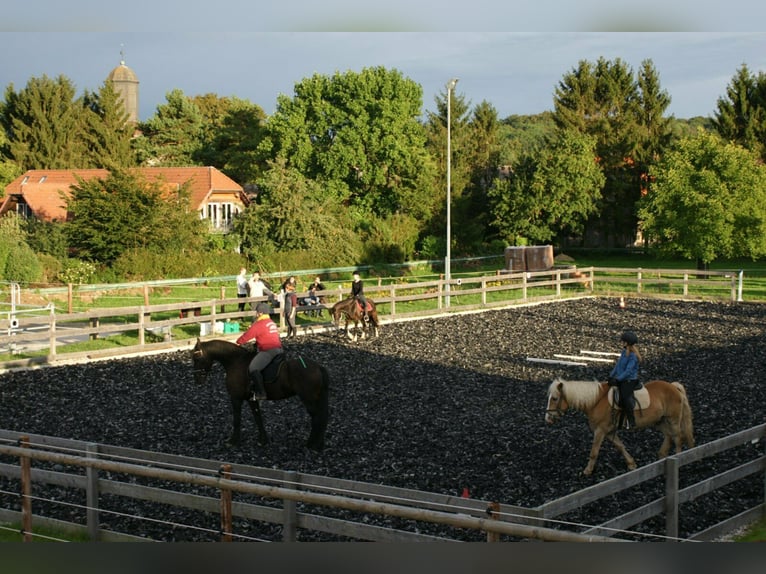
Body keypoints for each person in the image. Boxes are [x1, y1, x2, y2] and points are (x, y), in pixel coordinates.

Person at [235, 302, 284, 401]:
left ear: (260, 313)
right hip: (279, 349)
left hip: (268, 350)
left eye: (257, 312)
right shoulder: (271, 322)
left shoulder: (259, 324)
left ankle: (261, 393)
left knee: (253, 368)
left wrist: (238, 343)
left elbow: (247, 336)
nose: (256, 314)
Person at [608, 330, 642, 430]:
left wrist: (618, 379)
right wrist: (611, 376)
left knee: (625, 397)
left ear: (627, 343)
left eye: (623, 341)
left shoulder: (633, 356)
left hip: (629, 380)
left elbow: (628, 371)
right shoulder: (624, 352)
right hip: (621, 378)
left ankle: (631, 421)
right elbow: (618, 365)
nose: (622, 343)